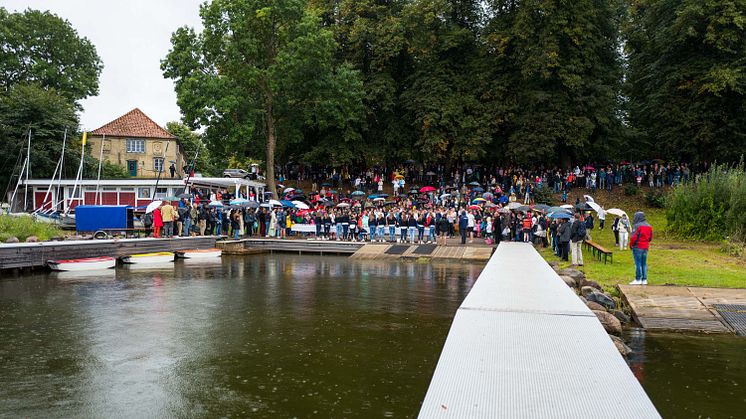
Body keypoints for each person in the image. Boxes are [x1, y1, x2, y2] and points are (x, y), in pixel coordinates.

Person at [629, 211, 653, 285]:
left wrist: (631, 245)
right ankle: (644, 279)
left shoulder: (637, 226)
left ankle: (638, 278)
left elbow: (634, 237)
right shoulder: (649, 226)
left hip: (637, 246)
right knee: (644, 263)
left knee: (638, 263)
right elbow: (650, 238)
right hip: (645, 247)